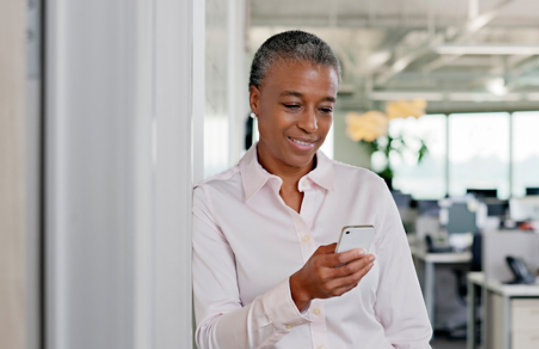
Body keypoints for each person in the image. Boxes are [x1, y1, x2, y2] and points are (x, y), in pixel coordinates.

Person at [192, 30, 432, 349]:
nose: (311, 125)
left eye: (325, 109)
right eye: (293, 104)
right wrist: (297, 291)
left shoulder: (368, 191)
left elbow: (408, 331)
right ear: (255, 100)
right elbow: (213, 339)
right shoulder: (212, 201)